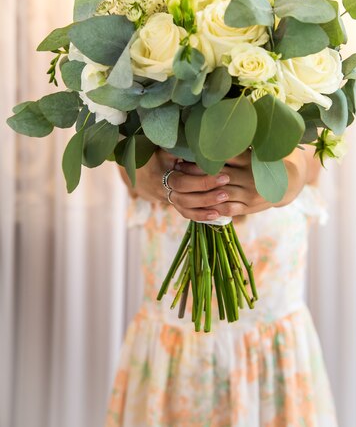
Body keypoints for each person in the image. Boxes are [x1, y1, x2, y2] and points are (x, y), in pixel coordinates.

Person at [105, 145, 338, 427]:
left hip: (273, 340)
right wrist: (161, 180)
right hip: (172, 348)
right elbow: (126, 158)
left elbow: (318, 143)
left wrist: (287, 176)